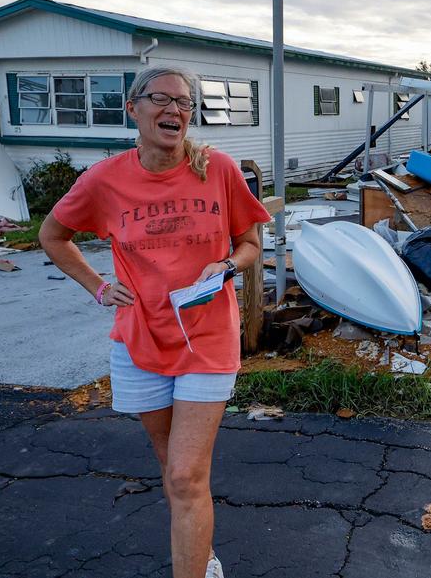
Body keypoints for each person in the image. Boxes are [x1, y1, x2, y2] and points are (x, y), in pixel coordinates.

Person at [40, 67, 270, 578]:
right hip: (140, 339)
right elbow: (53, 234)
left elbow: (251, 243)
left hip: (207, 336)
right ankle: (199, 553)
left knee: (187, 475)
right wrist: (98, 286)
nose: (176, 110)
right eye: (161, 99)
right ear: (133, 108)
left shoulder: (219, 169)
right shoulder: (104, 179)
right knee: (174, 474)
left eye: (185, 103)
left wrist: (228, 266)